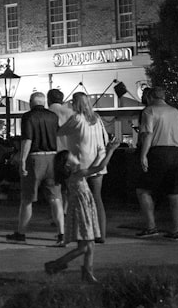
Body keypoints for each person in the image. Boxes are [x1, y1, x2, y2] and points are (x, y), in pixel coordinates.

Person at [44, 139, 121, 283]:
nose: (75, 156)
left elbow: (94, 166)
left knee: (89, 245)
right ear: (67, 164)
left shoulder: (74, 175)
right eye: (72, 156)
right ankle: (56, 264)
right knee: (84, 247)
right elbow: (99, 168)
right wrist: (111, 151)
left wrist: (101, 153)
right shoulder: (77, 174)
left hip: (83, 210)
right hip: (82, 211)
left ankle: (87, 272)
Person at [7, 92, 65, 246]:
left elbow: (27, 139)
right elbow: (58, 137)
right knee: (55, 198)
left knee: (27, 199)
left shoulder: (28, 117)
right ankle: (61, 233)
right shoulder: (53, 117)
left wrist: (23, 160)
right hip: (53, 157)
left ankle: (21, 232)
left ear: (31, 102)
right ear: (44, 102)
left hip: (35, 158)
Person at [135, 86, 178, 240]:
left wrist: (143, 155)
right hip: (176, 152)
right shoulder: (175, 111)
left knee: (143, 190)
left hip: (157, 152)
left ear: (150, 97)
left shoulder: (149, 111)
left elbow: (148, 134)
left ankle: (151, 226)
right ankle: (175, 231)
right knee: (174, 193)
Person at [59, 92, 109, 243]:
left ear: (76, 103)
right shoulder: (97, 119)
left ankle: (81, 232)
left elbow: (60, 132)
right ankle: (101, 234)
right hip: (98, 160)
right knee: (97, 198)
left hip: (81, 163)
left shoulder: (76, 119)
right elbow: (105, 138)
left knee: (77, 199)